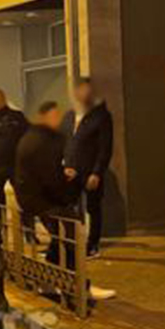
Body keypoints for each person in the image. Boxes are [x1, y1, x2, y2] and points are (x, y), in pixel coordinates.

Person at [15, 102, 116, 300]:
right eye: (55, 116)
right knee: (72, 235)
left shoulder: (33, 137)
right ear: (45, 116)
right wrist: (66, 189)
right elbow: (49, 178)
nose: (59, 120)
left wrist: (61, 175)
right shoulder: (41, 141)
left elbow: (45, 172)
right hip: (43, 201)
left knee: (60, 238)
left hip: (33, 199)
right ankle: (79, 289)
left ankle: (51, 282)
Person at [62, 78, 114, 258]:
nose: (82, 94)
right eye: (80, 90)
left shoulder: (101, 116)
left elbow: (105, 147)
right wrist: (64, 165)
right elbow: (65, 142)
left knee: (93, 208)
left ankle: (92, 244)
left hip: (90, 172)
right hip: (70, 171)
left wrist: (97, 172)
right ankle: (70, 245)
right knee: (69, 208)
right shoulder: (69, 115)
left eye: (86, 91)